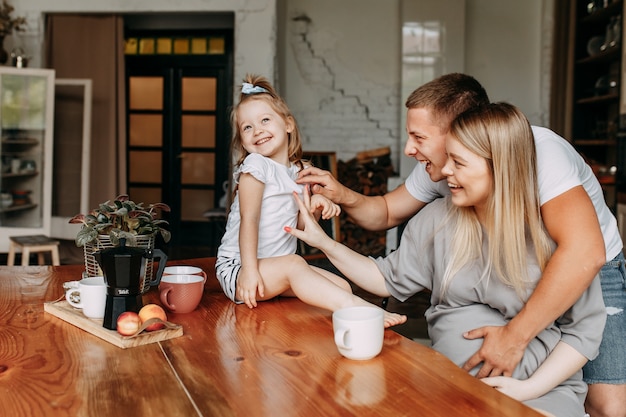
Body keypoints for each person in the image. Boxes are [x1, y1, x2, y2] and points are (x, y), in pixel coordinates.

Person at [297, 73, 625, 416]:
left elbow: (585, 255)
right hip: (463, 386)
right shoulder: (444, 202)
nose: (409, 149)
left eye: (418, 137)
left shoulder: (541, 160)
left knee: (607, 405)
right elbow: (387, 212)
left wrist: (515, 345)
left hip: (591, 263)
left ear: (467, 132)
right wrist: (338, 203)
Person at [215, 74, 406, 327]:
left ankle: (343, 329)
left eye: (265, 120)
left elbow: (301, 229)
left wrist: (314, 208)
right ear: (242, 139)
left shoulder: (299, 171)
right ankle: (362, 311)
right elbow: (249, 220)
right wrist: (249, 272)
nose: (257, 130)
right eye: (247, 127)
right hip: (239, 269)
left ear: (288, 124)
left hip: (275, 269)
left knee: (341, 286)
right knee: (297, 265)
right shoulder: (256, 166)